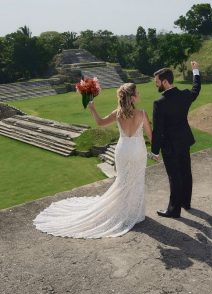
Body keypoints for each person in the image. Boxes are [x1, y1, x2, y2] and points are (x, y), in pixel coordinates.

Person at [33, 83, 152, 238]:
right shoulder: (142, 114)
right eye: (137, 91)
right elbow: (151, 136)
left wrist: (92, 109)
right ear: (133, 96)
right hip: (137, 151)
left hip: (122, 150)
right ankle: (134, 213)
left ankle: (124, 211)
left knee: (123, 181)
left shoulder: (117, 113)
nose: (139, 93)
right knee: (136, 180)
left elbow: (100, 123)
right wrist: (157, 151)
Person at [151, 61, 201, 218]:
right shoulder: (185, 95)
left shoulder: (159, 103)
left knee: (174, 177)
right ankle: (186, 202)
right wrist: (196, 72)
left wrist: (154, 150)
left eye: (157, 82)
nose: (156, 85)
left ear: (165, 82)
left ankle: (174, 210)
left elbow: (158, 130)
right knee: (186, 172)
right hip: (184, 141)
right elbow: (196, 89)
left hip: (169, 146)